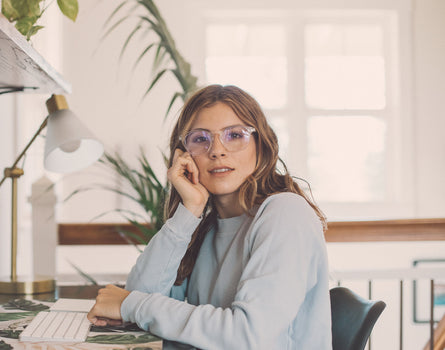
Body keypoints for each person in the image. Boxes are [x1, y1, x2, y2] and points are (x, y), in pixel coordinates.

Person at [87, 84, 332, 349]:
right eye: (201, 139)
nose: (217, 150)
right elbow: (138, 298)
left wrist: (133, 305)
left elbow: (250, 337)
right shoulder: (204, 227)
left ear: (261, 146)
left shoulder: (286, 213)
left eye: (235, 135)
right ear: (184, 155)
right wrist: (189, 210)